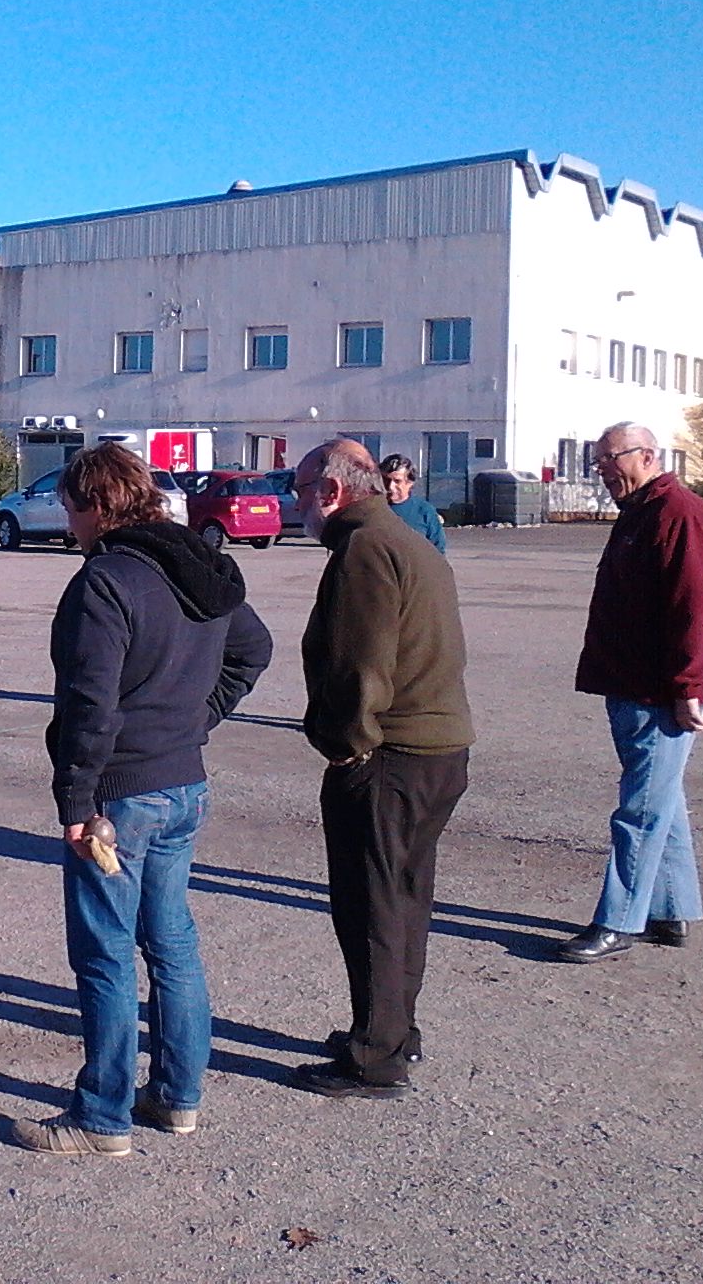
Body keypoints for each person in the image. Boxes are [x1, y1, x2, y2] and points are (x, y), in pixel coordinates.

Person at [11, 444, 272, 1156]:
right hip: (184, 785)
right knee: (172, 943)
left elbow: (89, 704)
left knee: (104, 956)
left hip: (121, 798)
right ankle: (179, 1097)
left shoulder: (107, 580)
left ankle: (103, 1118)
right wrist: (199, 720)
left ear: (97, 505)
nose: (70, 526)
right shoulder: (199, 563)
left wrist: (74, 800)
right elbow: (254, 647)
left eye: (71, 511)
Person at [289, 439, 473, 1099]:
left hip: (392, 757)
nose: (296, 502)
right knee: (403, 899)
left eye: (300, 488)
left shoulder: (364, 549)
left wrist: (348, 744)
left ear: (332, 492)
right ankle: (393, 1029)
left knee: (372, 907)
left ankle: (376, 1056)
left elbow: (360, 665)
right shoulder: (405, 540)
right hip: (436, 751)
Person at [558, 422, 703, 962]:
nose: (602, 470)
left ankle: (619, 921)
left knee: (640, 811)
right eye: (597, 461)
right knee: (661, 802)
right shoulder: (640, 513)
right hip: (627, 685)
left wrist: (688, 687)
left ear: (647, 455)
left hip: (656, 693)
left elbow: (693, 609)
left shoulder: (679, 514)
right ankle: (671, 910)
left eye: (610, 459)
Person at [380, 453, 447, 553]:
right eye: (386, 480)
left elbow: (438, 550)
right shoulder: (373, 509)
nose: (390, 486)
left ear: (410, 482)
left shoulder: (425, 511)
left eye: (397, 481)